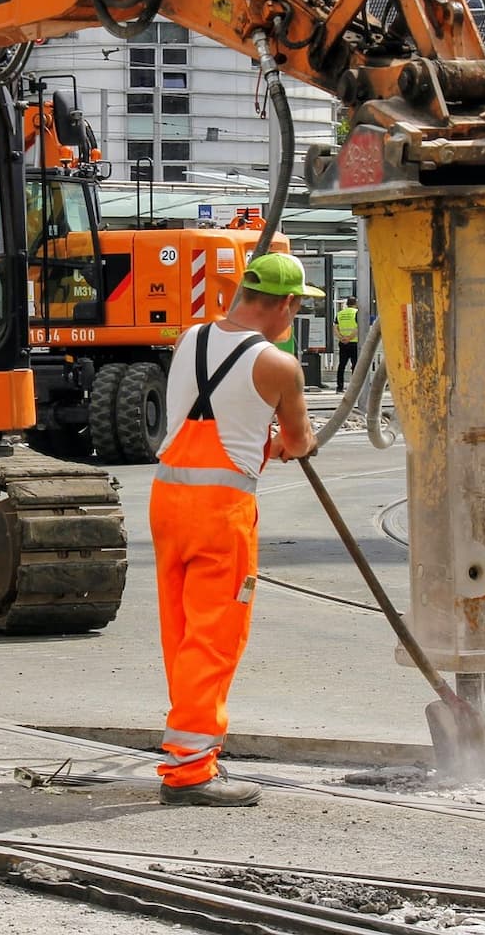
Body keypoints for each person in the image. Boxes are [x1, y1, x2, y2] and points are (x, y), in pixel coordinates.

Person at [149, 252, 320, 808]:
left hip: (168, 501)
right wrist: (284, 438)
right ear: (287, 304)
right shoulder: (278, 365)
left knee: (180, 629)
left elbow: (214, 412)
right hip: (220, 513)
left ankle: (185, 747)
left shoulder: (188, 339)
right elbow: (297, 443)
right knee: (214, 636)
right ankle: (191, 769)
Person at [334, 296, 359, 393]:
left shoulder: (340, 314)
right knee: (355, 366)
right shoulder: (356, 313)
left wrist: (341, 338)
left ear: (347, 303)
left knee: (342, 365)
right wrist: (350, 338)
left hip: (343, 343)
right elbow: (358, 327)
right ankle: (354, 389)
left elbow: (335, 328)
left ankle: (339, 388)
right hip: (354, 342)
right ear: (355, 303)